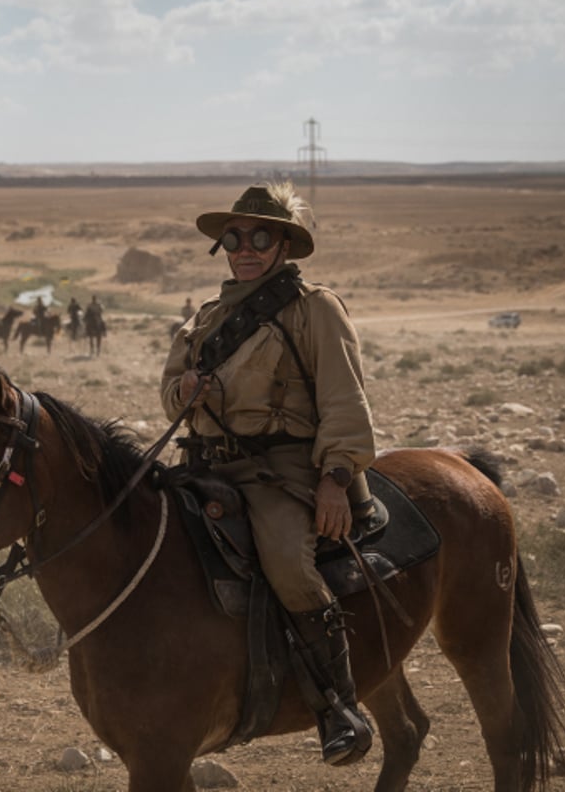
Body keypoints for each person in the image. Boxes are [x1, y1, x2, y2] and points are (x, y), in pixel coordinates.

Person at [160, 182, 375, 767]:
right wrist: (182, 389)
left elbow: (344, 400)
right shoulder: (206, 318)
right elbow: (167, 391)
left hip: (279, 469)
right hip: (204, 464)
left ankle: (338, 706)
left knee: (287, 563)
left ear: (284, 245)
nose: (245, 247)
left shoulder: (314, 309)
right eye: (234, 236)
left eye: (260, 236)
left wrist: (334, 476)